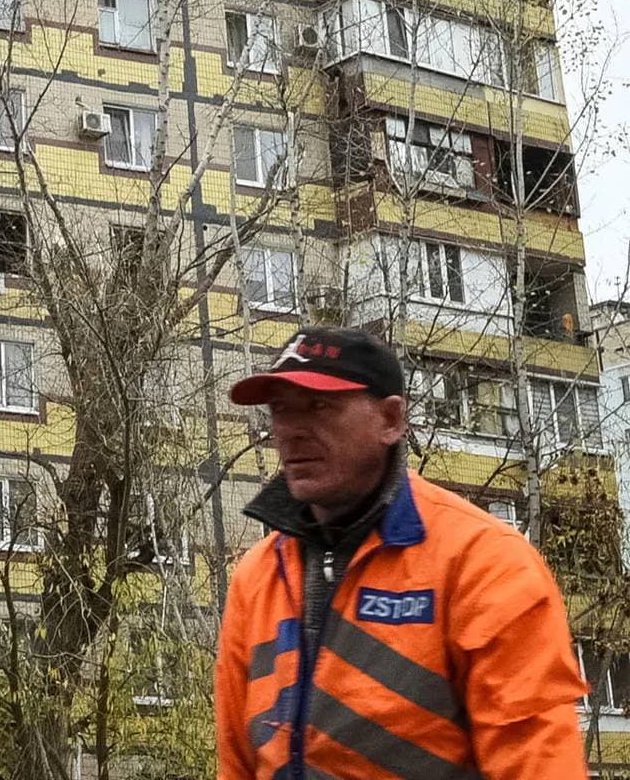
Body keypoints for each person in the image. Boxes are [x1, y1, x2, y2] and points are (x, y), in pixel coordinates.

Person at [214, 327, 589, 779]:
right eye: (280, 410)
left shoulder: (483, 564)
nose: (291, 431)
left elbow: (538, 764)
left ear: (390, 420)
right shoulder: (257, 577)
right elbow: (236, 764)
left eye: (319, 406)